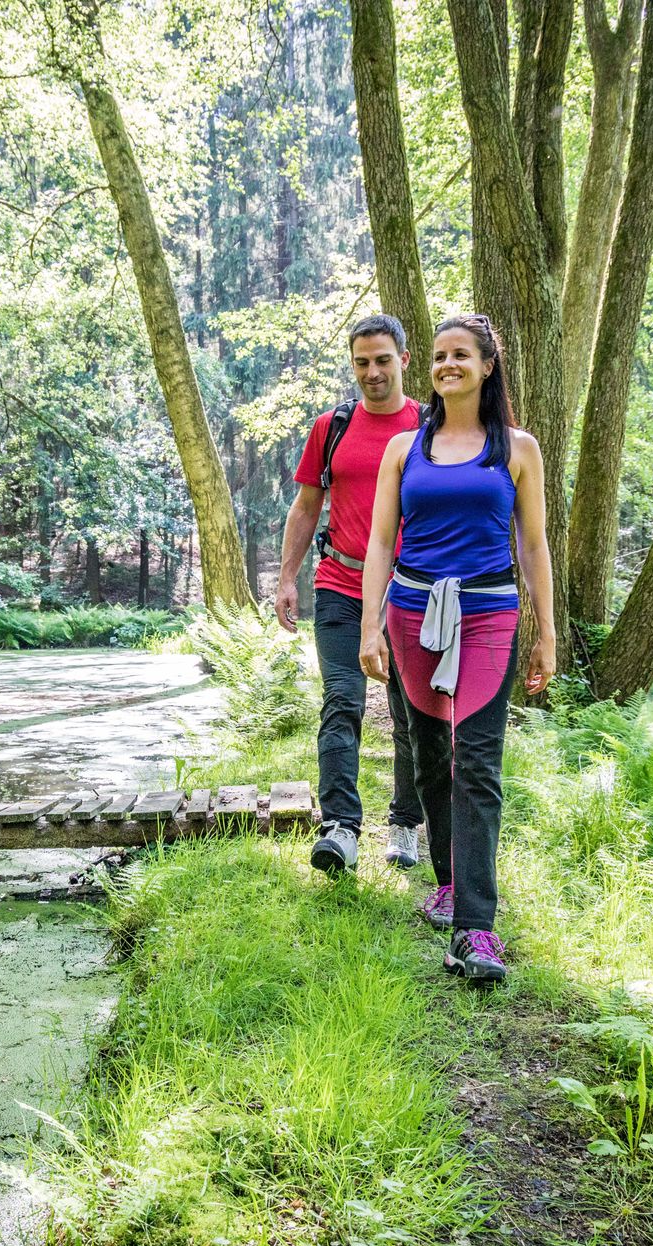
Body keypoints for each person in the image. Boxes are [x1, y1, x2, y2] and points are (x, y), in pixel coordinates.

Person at [359, 315, 556, 982]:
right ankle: (447, 880)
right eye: (440, 356)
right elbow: (382, 543)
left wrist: (547, 632)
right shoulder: (403, 450)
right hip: (413, 613)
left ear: (487, 366)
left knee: (476, 762)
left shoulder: (519, 449)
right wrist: (369, 627)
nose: (448, 365)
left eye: (461, 355)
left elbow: (533, 547)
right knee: (430, 756)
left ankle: (476, 929)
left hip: (488, 615)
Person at [277, 314, 425, 876]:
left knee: (410, 711)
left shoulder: (430, 427)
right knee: (342, 700)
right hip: (340, 582)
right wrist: (288, 577)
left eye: (383, 360)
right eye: (362, 362)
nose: (372, 372)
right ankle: (340, 827)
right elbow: (307, 506)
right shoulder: (332, 427)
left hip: (412, 590)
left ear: (404, 361)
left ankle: (406, 823)